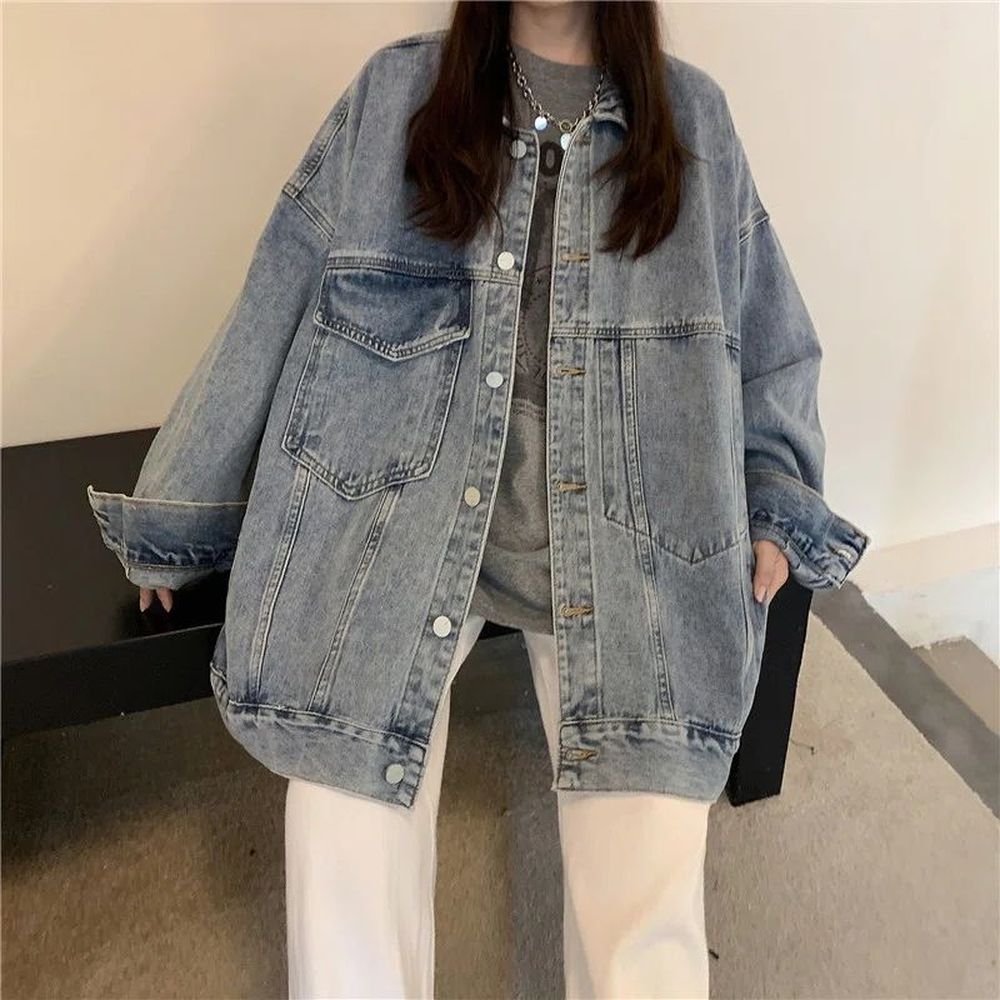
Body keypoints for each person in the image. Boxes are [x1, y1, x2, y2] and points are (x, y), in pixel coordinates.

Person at [87, 2, 871, 997]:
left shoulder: (694, 121)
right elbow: (274, 295)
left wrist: (777, 494)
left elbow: (773, 340)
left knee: (648, 890)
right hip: (393, 533)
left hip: (631, 545)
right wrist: (178, 510)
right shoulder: (393, 95)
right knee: (337, 824)